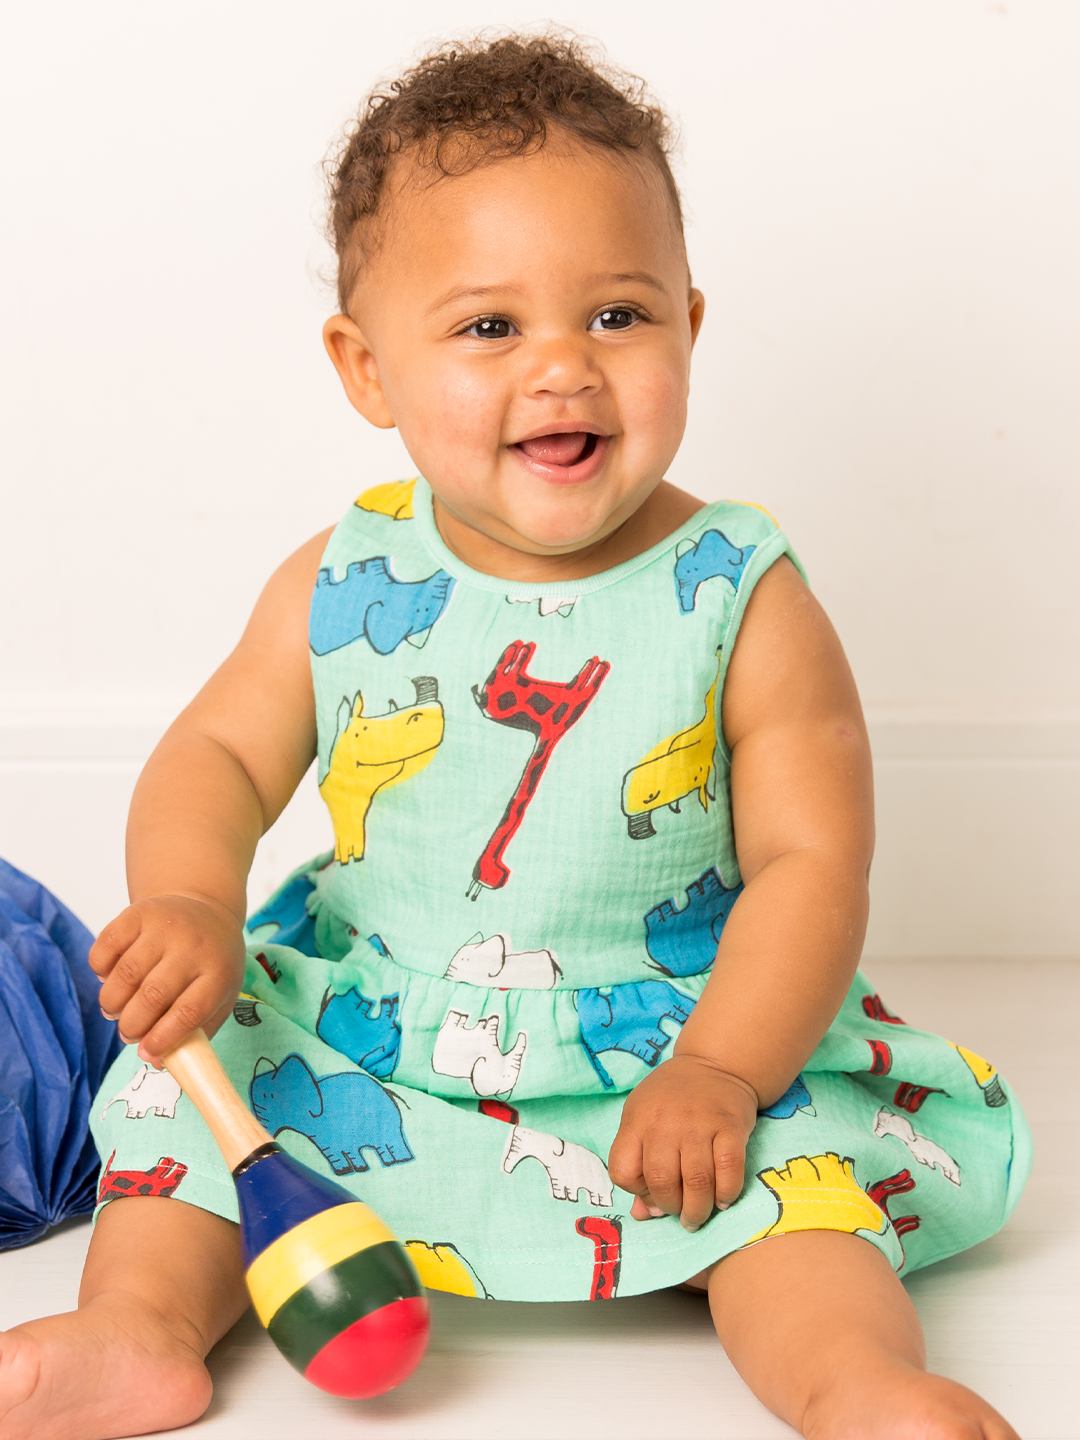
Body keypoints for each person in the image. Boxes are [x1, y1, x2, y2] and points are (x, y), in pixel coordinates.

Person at [0, 33, 1030, 1440]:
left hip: (677, 1039)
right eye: (490, 328)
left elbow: (811, 865)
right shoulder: (346, 578)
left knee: (797, 1199)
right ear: (368, 369)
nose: (562, 369)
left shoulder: (740, 594)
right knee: (194, 1105)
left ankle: (857, 1385)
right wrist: (191, 899)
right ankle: (141, 1327)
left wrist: (725, 1069)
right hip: (378, 1028)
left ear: (689, 325)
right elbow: (221, 758)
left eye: (616, 315)